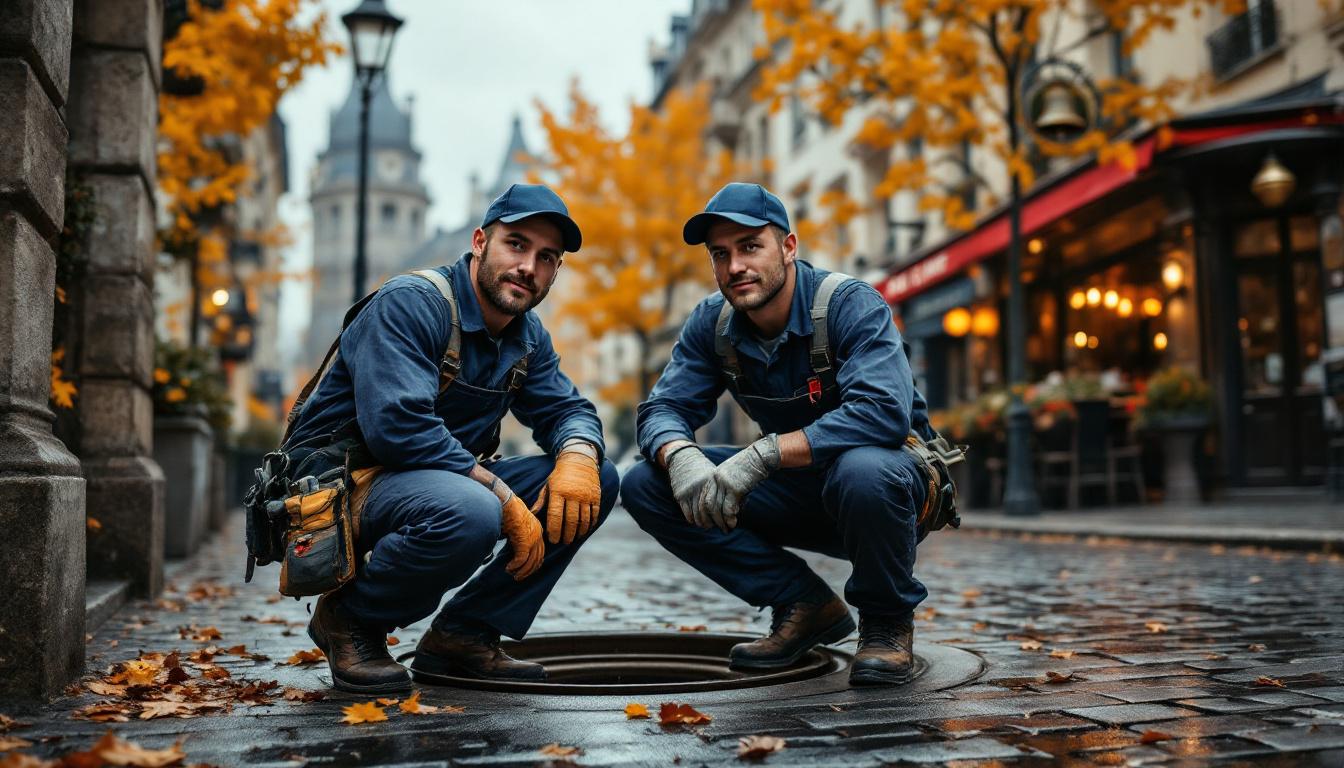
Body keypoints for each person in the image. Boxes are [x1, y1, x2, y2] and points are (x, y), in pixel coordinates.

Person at [285, 184, 618, 692]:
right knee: (471, 509)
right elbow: (399, 429)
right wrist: (502, 495)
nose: (528, 265)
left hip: (432, 484)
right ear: (481, 241)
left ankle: (464, 633)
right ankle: (350, 620)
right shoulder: (412, 303)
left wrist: (577, 454)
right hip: (341, 486)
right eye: (517, 244)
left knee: (597, 481)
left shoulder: (527, 335)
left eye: (546, 257)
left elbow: (568, 409)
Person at [620, 182, 942, 686]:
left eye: (750, 247)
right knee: (644, 483)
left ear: (788, 248)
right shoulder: (713, 323)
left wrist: (762, 455)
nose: (734, 268)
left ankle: (886, 625)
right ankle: (802, 604)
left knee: (862, 468)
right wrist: (679, 454)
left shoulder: (851, 305)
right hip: (801, 489)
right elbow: (662, 408)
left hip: (888, 492)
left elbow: (882, 413)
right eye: (720, 254)